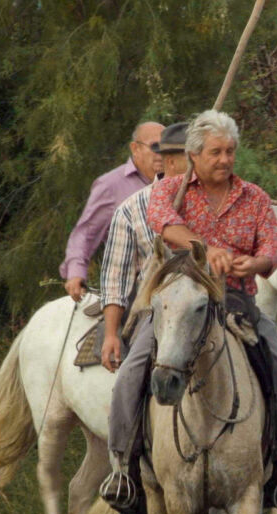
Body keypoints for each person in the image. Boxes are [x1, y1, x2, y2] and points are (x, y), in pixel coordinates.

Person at [100, 110, 277, 511]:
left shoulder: (255, 197)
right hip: (178, 300)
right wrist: (206, 249)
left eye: (230, 151)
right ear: (195, 155)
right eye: (216, 152)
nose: (224, 159)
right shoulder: (171, 191)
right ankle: (124, 467)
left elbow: (271, 248)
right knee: (133, 371)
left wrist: (254, 264)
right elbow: (165, 226)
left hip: (236, 301)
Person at [98, 122, 190, 372]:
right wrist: (111, 334)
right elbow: (115, 279)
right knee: (129, 383)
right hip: (155, 314)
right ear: (170, 161)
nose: (198, 164)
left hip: (205, 309)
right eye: (190, 157)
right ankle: (124, 411)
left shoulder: (215, 201)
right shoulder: (130, 209)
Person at [60, 121, 165, 302]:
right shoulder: (111, 185)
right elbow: (86, 233)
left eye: (167, 147)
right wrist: (76, 272)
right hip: (132, 285)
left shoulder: (176, 182)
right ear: (135, 148)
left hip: (175, 280)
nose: (161, 154)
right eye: (155, 146)